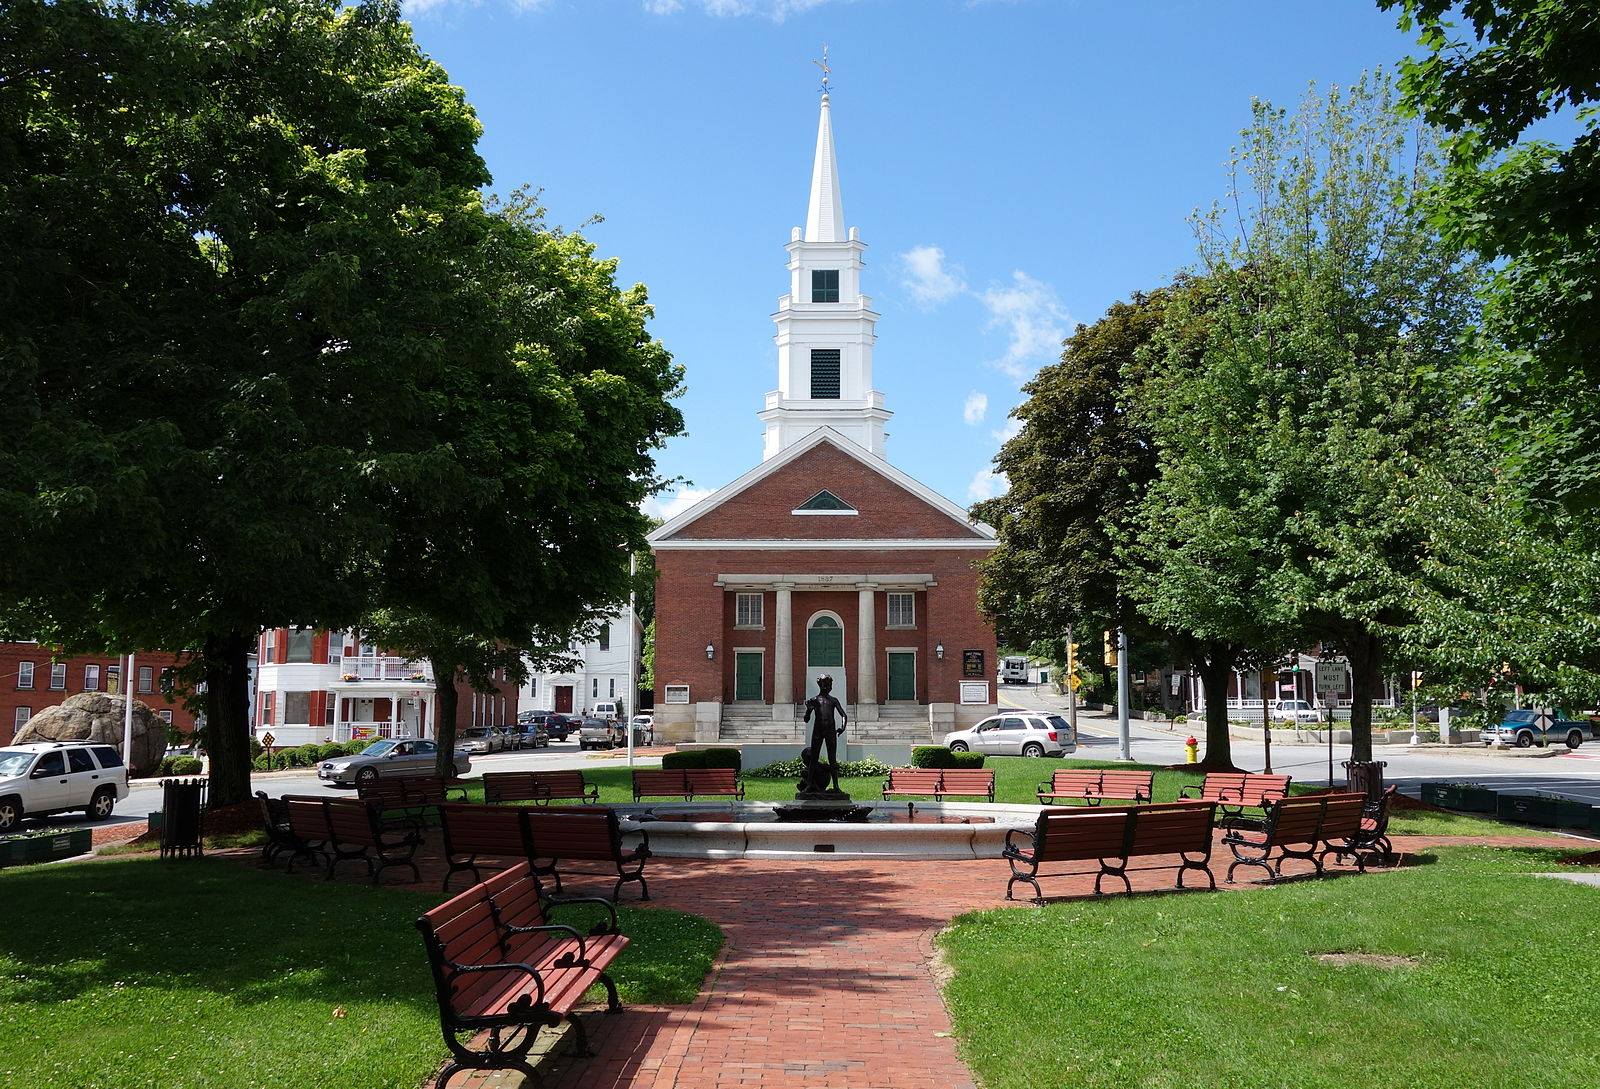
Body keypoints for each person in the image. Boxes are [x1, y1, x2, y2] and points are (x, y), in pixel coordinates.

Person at [800, 674, 848, 795]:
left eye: (830, 684)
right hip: (818, 731)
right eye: (826, 684)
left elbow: (843, 715)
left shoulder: (833, 700)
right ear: (820, 685)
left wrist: (842, 727)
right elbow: (806, 719)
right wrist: (808, 709)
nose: (828, 686)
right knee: (814, 759)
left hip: (830, 731)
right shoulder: (814, 700)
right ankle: (810, 784)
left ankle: (836, 786)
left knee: (832, 759)